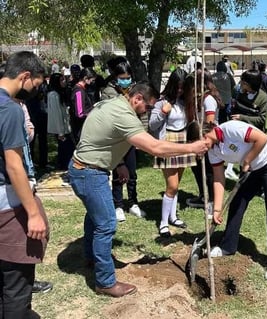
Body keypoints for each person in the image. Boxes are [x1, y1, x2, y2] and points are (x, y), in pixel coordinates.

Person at [68, 82, 207, 297]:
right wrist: (191, 147)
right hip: (89, 172)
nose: (148, 111)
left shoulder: (113, 103)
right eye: (148, 107)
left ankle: (91, 256)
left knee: (95, 215)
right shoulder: (124, 114)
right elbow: (155, 147)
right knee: (106, 224)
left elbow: (106, 137)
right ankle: (105, 282)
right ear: (137, 99)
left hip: (86, 168)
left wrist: (120, 164)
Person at [203, 120, 267, 281]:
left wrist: (248, 160)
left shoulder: (231, 128)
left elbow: (261, 139)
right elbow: (219, 178)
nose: (200, 148)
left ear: (204, 134)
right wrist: (217, 209)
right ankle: (228, 246)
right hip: (253, 169)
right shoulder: (212, 150)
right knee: (237, 202)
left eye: (200, 143)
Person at [0, 51, 49, 318]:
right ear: (25, 76)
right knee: (16, 285)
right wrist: (33, 214)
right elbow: (14, 165)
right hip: (7, 205)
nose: (36, 90)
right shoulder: (9, 109)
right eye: (37, 85)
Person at [149, 68, 197, 237]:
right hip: (168, 143)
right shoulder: (162, 102)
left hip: (183, 143)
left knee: (177, 185)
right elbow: (152, 125)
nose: (180, 90)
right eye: (177, 87)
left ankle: (173, 216)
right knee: (172, 186)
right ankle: (163, 223)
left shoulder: (187, 102)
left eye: (183, 87)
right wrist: (163, 112)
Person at [101, 62, 147, 222]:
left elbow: (143, 112)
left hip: (132, 136)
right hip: (116, 138)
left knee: (132, 172)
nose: (126, 81)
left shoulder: (136, 90)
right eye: (122, 78)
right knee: (118, 173)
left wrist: (142, 134)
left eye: (128, 78)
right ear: (115, 77)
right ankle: (118, 205)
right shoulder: (108, 92)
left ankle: (133, 202)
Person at [185, 71, 222, 209]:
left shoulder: (208, 100)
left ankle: (211, 199)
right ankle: (203, 195)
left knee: (208, 170)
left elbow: (209, 123)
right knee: (197, 168)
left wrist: (203, 141)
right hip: (198, 138)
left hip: (206, 139)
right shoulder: (199, 99)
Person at [47, 73, 75, 171]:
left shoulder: (61, 93)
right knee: (65, 149)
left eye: (64, 79)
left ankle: (65, 166)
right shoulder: (53, 95)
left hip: (65, 127)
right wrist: (60, 132)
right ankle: (63, 167)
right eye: (61, 80)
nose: (64, 82)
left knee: (67, 149)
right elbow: (56, 114)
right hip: (61, 129)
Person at [70, 67, 97, 143]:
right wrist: (93, 113)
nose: (93, 82)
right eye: (92, 80)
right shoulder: (79, 92)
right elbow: (80, 113)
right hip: (80, 129)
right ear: (86, 78)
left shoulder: (82, 89)